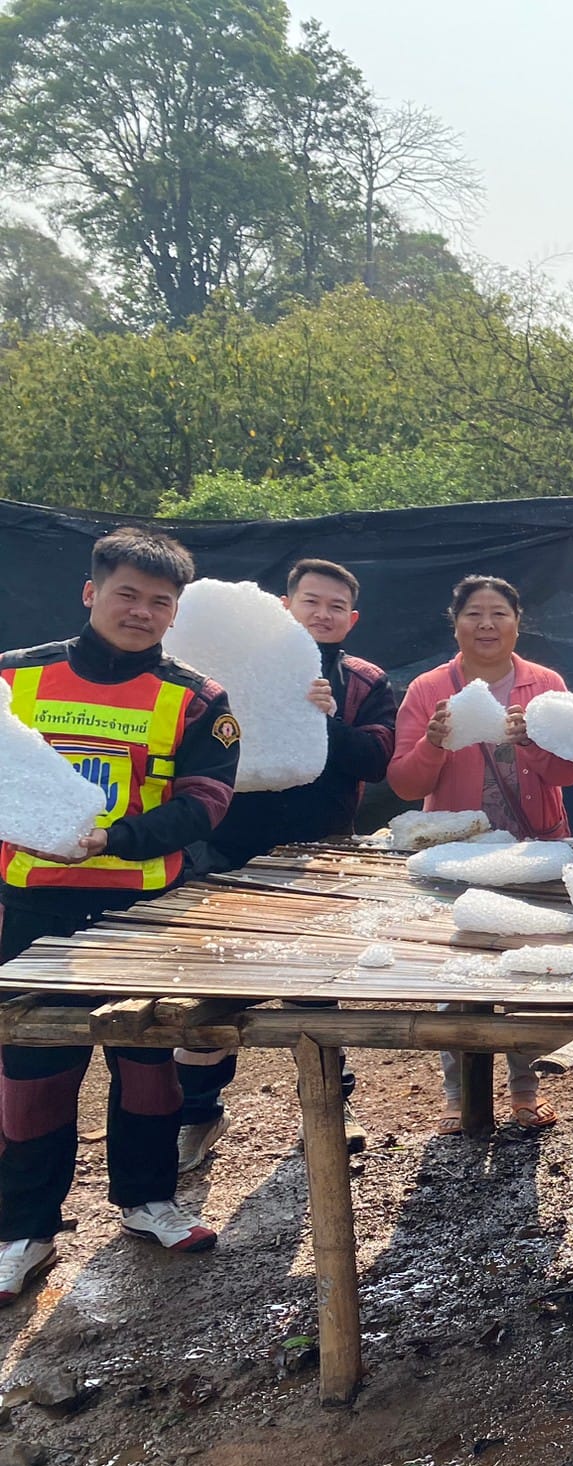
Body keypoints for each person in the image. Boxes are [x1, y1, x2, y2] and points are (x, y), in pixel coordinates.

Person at [0, 528, 239, 1305]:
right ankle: (24, 1232)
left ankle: (148, 1202)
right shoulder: (14, 678)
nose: (141, 612)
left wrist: (114, 838)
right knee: (33, 1071)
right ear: (91, 592)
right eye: (127, 594)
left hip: (141, 911)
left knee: (148, 1063)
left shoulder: (197, 698)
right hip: (32, 910)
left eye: (159, 602)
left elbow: (206, 803)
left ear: (175, 612)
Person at [175, 558, 396, 1172]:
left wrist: (327, 720)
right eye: (311, 602)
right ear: (283, 606)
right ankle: (196, 1113)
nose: (323, 614)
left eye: (336, 606)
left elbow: (377, 758)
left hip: (319, 855)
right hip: (225, 850)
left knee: (317, 991)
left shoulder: (364, 680)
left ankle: (327, 1109)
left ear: (352, 618)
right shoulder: (226, 662)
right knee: (213, 987)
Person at [388, 575, 573, 1136]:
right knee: (456, 970)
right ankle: (460, 1093)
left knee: (528, 965)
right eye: (474, 613)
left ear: (518, 623)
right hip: (456, 857)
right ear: (455, 624)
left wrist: (532, 742)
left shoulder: (546, 685)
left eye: (499, 613)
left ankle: (525, 1088)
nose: (486, 624)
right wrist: (432, 743)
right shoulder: (428, 688)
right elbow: (404, 784)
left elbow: (571, 771)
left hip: (534, 849)